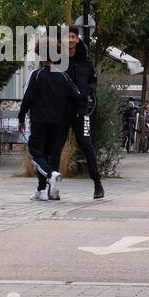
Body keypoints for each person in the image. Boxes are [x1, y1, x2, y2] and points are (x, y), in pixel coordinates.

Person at [18, 29, 82, 201]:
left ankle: (51, 175)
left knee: (36, 154)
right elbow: (76, 94)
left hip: (39, 120)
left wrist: (21, 117)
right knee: (51, 154)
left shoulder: (37, 75)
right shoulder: (63, 75)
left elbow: (28, 99)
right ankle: (44, 190)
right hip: (58, 121)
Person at [66, 25, 105, 198]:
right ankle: (47, 186)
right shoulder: (58, 60)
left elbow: (93, 81)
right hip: (62, 111)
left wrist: (89, 92)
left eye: (73, 37)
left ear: (78, 39)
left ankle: (97, 184)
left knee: (87, 145)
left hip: (81, 111)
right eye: (67, 37)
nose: (70, 40)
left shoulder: (86, 61)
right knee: (54, 146)